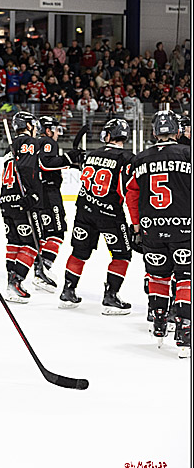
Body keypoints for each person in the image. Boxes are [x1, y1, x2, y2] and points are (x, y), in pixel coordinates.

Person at [125, 110, 191, 357]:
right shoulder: (188, 154)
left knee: (158, 276)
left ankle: (159, 323)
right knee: (185, 277)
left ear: (154, 133)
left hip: (152, 229)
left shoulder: (140, 159)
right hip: (184, 228)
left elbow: (131, 194)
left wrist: (136, 225)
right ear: (177, 131)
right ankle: (185, 332)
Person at [59, 118, 136, 313]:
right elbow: (131, 190)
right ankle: (110, 296)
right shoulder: (128, 158)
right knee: (122, 255)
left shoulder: (92, 155)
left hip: (84, 212)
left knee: (79, 252)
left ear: (108, 135)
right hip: (110, 214)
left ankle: (68, 292)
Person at [30, 116, 83, 292]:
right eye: (55, 129)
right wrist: (68, 158)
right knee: (57, 232)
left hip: (40, 193)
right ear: (47, 130)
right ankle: (42, 271)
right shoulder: (47, 141)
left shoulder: (35, 143)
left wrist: (70, 164)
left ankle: (40, 271)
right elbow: (46, 164)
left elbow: (46, 164)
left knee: (46, 233)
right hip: (49, 194)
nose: (57, 133)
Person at [0, 111, 43, 303]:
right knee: (32, 244)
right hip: (21, 199)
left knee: (14, 241)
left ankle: (11, 279)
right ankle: (16, 283)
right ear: (29, 125)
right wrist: (33, 193)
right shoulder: (29, 143)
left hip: (6, 199)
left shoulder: (9, 148)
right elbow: (25, 168)